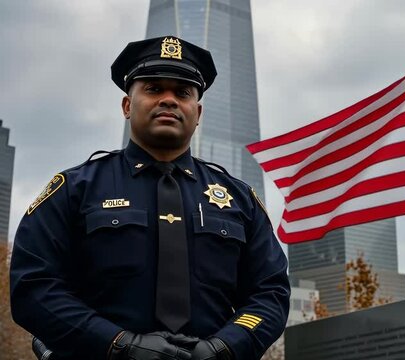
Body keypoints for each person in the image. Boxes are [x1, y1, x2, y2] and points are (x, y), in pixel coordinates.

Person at [10, 35, 290, 360]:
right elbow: (33, 286)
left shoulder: (240, 200)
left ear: (197, 112)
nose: (169, 100)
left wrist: (225, 347)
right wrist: (117, 344)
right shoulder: (74, 189)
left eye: (182, 93)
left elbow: (270, 293)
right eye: (154, 89)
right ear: (127, 106)